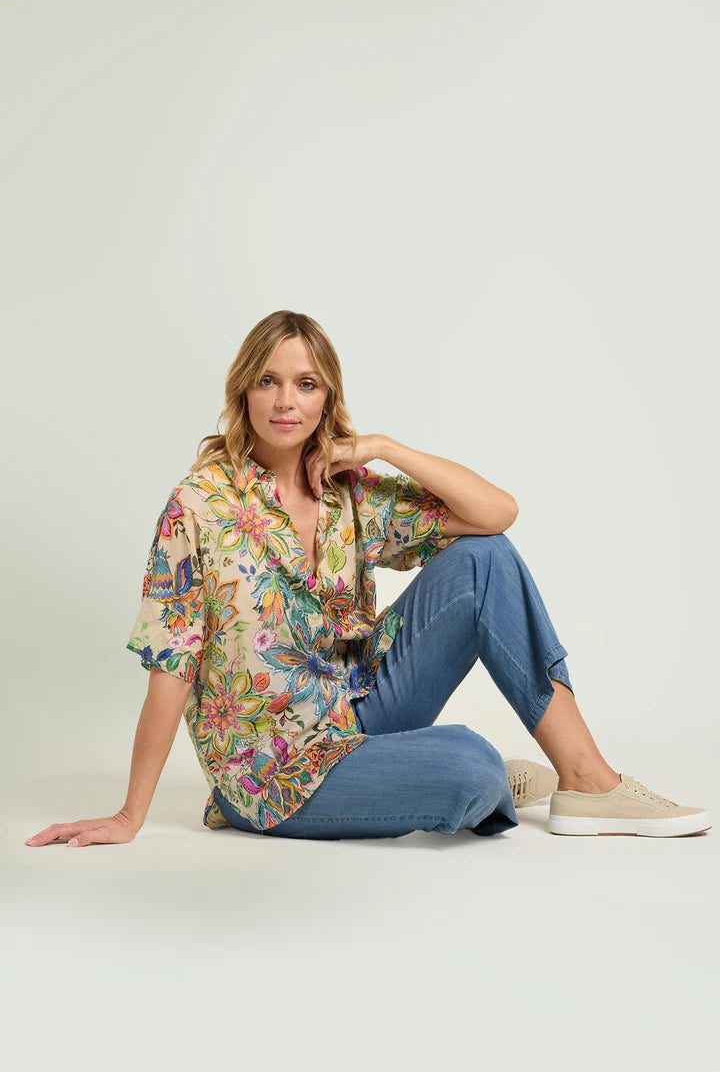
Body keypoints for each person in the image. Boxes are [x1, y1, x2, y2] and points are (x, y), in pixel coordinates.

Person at [25, 310, 711, 847]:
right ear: (243, 390)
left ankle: (587, 781)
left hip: (358, 710)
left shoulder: (345, 491)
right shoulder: (199, 506)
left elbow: (496, 514)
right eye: (268, 381)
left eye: (306, 384)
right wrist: (130, 813)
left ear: (327, 397)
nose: (285, 401)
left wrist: (384, 447)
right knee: (472, 765)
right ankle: (462, 774)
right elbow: (172, 664)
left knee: (485, 559)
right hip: (273, 771)